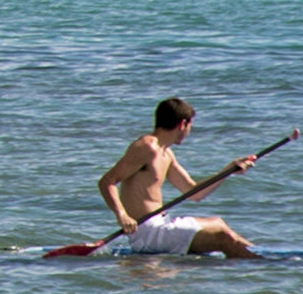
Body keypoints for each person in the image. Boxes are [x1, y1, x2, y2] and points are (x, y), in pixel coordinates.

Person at [100, 96, 255, 256]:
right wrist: (122, 215)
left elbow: (195, 193)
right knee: (222, 237)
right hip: (147, 232)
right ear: (182, 124)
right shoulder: (147, 147)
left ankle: (258, 254)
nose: (189, 132)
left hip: (161, 223)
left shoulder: (166, 153)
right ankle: (259, 263)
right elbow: (107, 182)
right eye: (190, 126)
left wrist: (228, 170)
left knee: (218, 223)